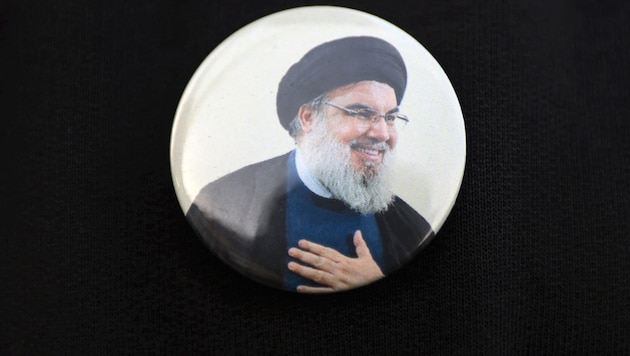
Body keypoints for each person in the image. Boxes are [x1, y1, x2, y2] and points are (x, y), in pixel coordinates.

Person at [187, 36, 434, 293]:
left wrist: (378, 280)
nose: (383, 133)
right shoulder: (222, 203)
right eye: (362, 113)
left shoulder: (411, 228)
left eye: (391, 117)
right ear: (308, 117)